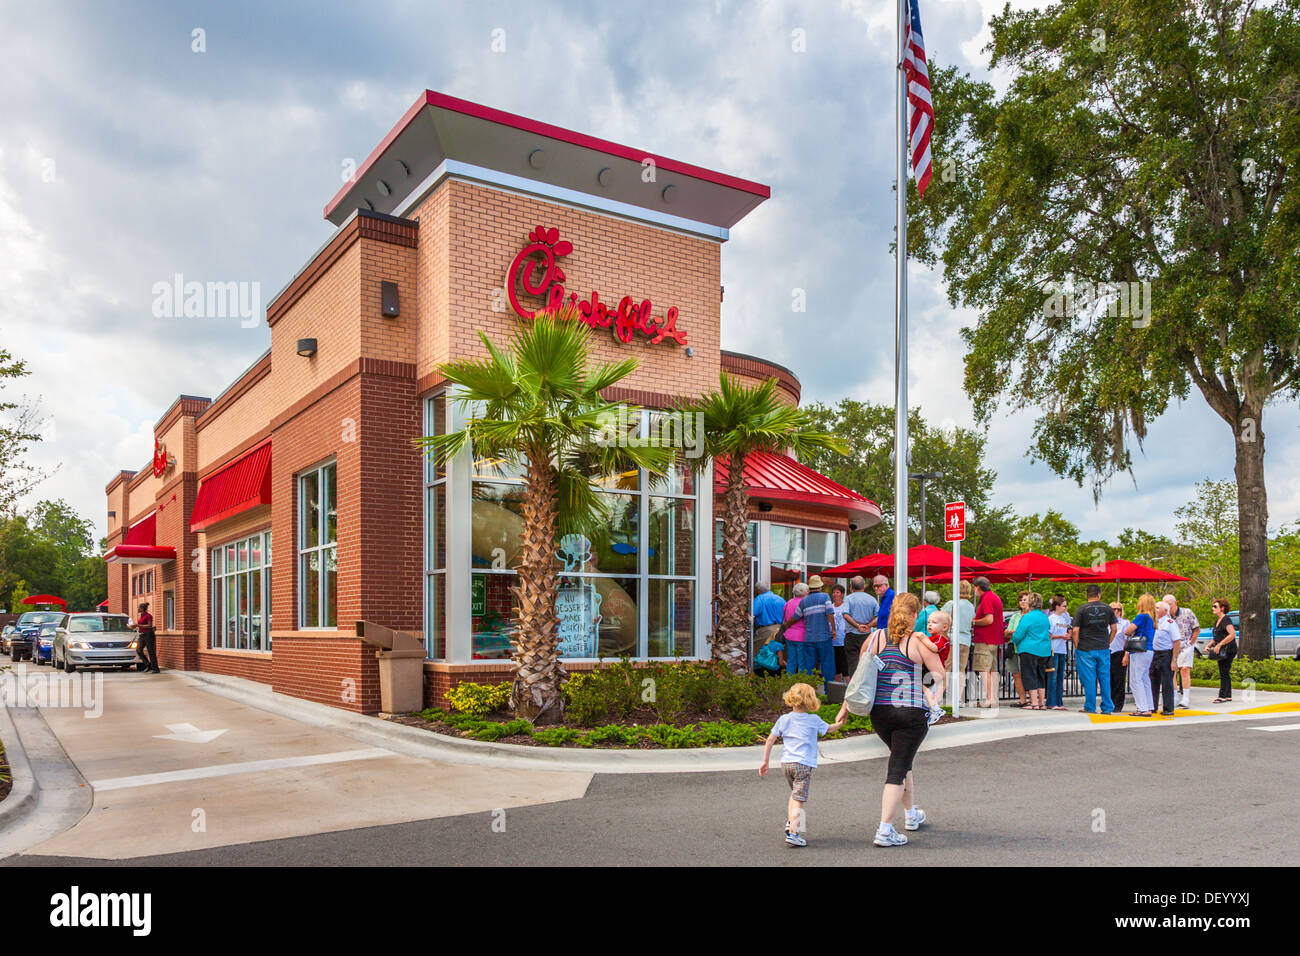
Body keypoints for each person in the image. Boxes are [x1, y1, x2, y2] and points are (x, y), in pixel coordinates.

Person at [834, 592, 945, 847]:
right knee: (897, 769)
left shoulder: (874, 638)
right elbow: (939, 675)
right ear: (915, 615)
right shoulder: (918, 642)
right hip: (911, 714)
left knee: (903, 761)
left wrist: (845, 707)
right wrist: (934, 699)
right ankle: (885, 830)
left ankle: (911, 815)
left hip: (881, 714)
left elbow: (859, 677)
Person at [760, 682, 844, 847]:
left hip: (786, 764)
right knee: (799, 798)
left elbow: (770, 740)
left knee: (794, 795)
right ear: (811, 701)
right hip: (803, 764)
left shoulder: (784, 719)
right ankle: (794, 832)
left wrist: (765, 761)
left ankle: (791, 822)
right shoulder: (813, 719)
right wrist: (840, 723)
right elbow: (830, 729)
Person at [777, 575, 836, 688]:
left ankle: (807, 692)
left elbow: (796, 617)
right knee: (827, 665)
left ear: (810, 588)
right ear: (820, 586)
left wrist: (786, 625)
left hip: (809, 638)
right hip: (824, 637)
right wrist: (833, 630)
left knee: (808, 666)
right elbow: (830, 613)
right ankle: (829, 692)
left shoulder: (804, 601)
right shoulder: (825, 597)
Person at [1071, 583, 1117, 714]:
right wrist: (1108, 641)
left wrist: (1077, 645)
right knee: (1104, 677)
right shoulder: (1108, 609)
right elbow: (1114, 629)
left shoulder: (1082, 609)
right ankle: (1107, 707)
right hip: (1103, 648)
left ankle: (1090, 706)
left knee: (1089, 678)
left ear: (1087, 595)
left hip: (1085, 648)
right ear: (1099, 594)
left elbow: (1075, 630)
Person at [1012, 593, 1052, 710]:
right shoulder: (1045, 617)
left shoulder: (1027, 617)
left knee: (1030, 675)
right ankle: (1041, 703)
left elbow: (1018, 635)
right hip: (1044, 650)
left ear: (1030, 603)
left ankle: (1033, 703)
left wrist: (1014, 640)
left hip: (1029, 649)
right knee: (1040, 676)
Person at [971, 577, 1006, 708]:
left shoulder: (986, 599)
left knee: (984, 670)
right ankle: (994, 698)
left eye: (974, 587)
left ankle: (989, 699)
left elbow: (989, 619)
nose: (974, 590)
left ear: (978, 587)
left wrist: (974, 622)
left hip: (985, 639)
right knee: (992, 670)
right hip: (994, 639)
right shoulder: (995, 597)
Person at [1123, 593, 1157, 717]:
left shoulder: (1141, 616)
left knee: (1135, 680)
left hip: (1139, 651)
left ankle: (1142, 708)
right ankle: (1149, 705)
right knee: (1144, 679)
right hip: (1149, 650)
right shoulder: (1152, 618)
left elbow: (1128, 630)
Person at [1164, 593, 1199, 709]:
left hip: (1185, 644)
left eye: (1170, 604)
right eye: (1166, 605)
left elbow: (1196, 629)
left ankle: (1186, 698)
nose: (1168, 607)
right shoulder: (1166, 616)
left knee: (1184, 670)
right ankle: (1174, 697)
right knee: (1172, 671)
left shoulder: (1187, 612)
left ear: (1175, 603)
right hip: (1172, 646)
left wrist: (1190, 642)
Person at [843, 575, 879, 676]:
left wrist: (857, 626)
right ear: (863, 586)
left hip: (851, 635)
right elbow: (879, 616)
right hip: (867, 635)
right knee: (867, 662)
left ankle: (854, 687)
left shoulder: (848, 599)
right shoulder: (872, 599)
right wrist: (868, 626)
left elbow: (845, 615)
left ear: (851, 587)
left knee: (853, 663)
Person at [940, 579, 975, 679]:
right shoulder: (971, 606)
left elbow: (941, 618)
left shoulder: (951, 604)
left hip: (952, 639)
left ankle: (941, 692)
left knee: (946, 668)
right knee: (961, 671)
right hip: (966, 640)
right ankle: (959, 694)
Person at [1150, 601, 1180, 717]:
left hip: (1166, 654)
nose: (1155, 609)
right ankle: (1152, 705)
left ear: (1165, 611)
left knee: (1167, 682)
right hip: (1154, 653)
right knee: (1153, 680)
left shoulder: (1170, 623)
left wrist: (1174, 659)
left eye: (1158, 608)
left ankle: (1168, 708)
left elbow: (1176, 641)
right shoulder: (1154, 622)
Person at [1205, 598, 1238, 703]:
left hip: (1228, 649)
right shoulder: (1218, 621)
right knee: (1224, 672)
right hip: (1222, 649)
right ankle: (1228, 695)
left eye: (1215, 606)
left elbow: (1232, 634)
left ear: (1222, 608)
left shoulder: (1226, 620)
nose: (1213, 608)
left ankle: (1222, 696)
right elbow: (1217, 636)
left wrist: (1220, 644)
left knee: (1224, 672)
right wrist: (1210, 645)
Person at [1004, 591, 1030, 707]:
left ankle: (1033, 699)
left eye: (1025, 599)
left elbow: (1028, 633)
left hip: (1027, 649)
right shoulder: (1015, 616)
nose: (1023, 602)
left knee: (1028, 674)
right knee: (1016, 674)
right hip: (1013, 648)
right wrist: (1017, 632)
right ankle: (1022, 699)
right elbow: (1007, 633)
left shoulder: (1032, 616)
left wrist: (1014, 632)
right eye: (1021, 600)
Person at [1046, 595, 1072, 710]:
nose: (1065, 608)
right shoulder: (1051, 619)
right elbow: (1048, 635)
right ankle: (1051, 701)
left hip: (1062, 649)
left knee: (1060, 677)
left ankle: (1059, 701)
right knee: (1053, 677)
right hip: (1054, 649)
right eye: (1064, 606)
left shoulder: (1064, 618)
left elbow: (1069, 628)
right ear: (1057, 606)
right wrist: (1061, 636)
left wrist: (1068, 634)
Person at [751, 582, 786, 658]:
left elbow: (751, 613)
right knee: (777, 655)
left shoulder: (759, 599)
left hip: (766, 631)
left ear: (759, 591)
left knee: (758, 655)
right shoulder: (780, 599)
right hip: (780, 630)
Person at [781, 583, 808, 675]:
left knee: (791, 660)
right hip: (802, 636)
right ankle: (801, 683)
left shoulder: (788, 602)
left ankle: (790, 682)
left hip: (789, 635)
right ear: (805, 592)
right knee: (802, 662)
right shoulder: (805, 603)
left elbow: (784, 619)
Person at [1109, 600, 1130, 712]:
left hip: (1119, 653)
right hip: (1107, 653)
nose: (1116, 611)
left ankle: (1118, 704)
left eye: (1119, 609)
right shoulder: (1106, 622)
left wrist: (1126, 655)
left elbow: (1127, 640)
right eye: (1114, 609)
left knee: (1119, 680)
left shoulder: (1125, 623)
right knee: (1108, 679)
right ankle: (1109, 702)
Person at [829, 584, 850, 681]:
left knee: (845, 664)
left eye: (837, 592)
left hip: (843, 639)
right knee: (836, 666)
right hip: (832, 640)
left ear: (842, 594)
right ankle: (838, 689)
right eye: (833, 592)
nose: (835, 594)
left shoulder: (845, 606)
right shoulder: (830, 607)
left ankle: (848, 686)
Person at [132, 601, 159, 674]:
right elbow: (140, 625)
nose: (138, 609)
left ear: (142, 608)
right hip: (142, 635)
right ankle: (148, 665)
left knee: (151, 651)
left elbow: (149, 626)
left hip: (148, 635)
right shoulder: (141, 615)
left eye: (139, 607)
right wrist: (134, 626)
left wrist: (138, 625)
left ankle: (155, 669)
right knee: (138, 650)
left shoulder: (148, 616)